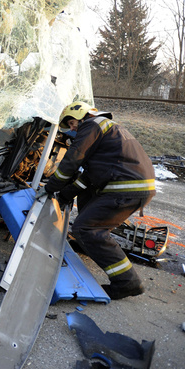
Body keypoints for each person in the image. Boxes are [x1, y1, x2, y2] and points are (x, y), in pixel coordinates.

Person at [44, 101, 156, 300]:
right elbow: (88, 178)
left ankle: (127, 283)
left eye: (71, 123)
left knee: (87, 229)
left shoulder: (92, 125)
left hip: (125, 188)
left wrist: (50, 187)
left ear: (81, 115)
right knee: (90, 224)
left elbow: (72, 160)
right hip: (133, 186)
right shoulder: (107, 133)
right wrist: (63, 196)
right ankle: (115, 269)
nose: (71, 129)